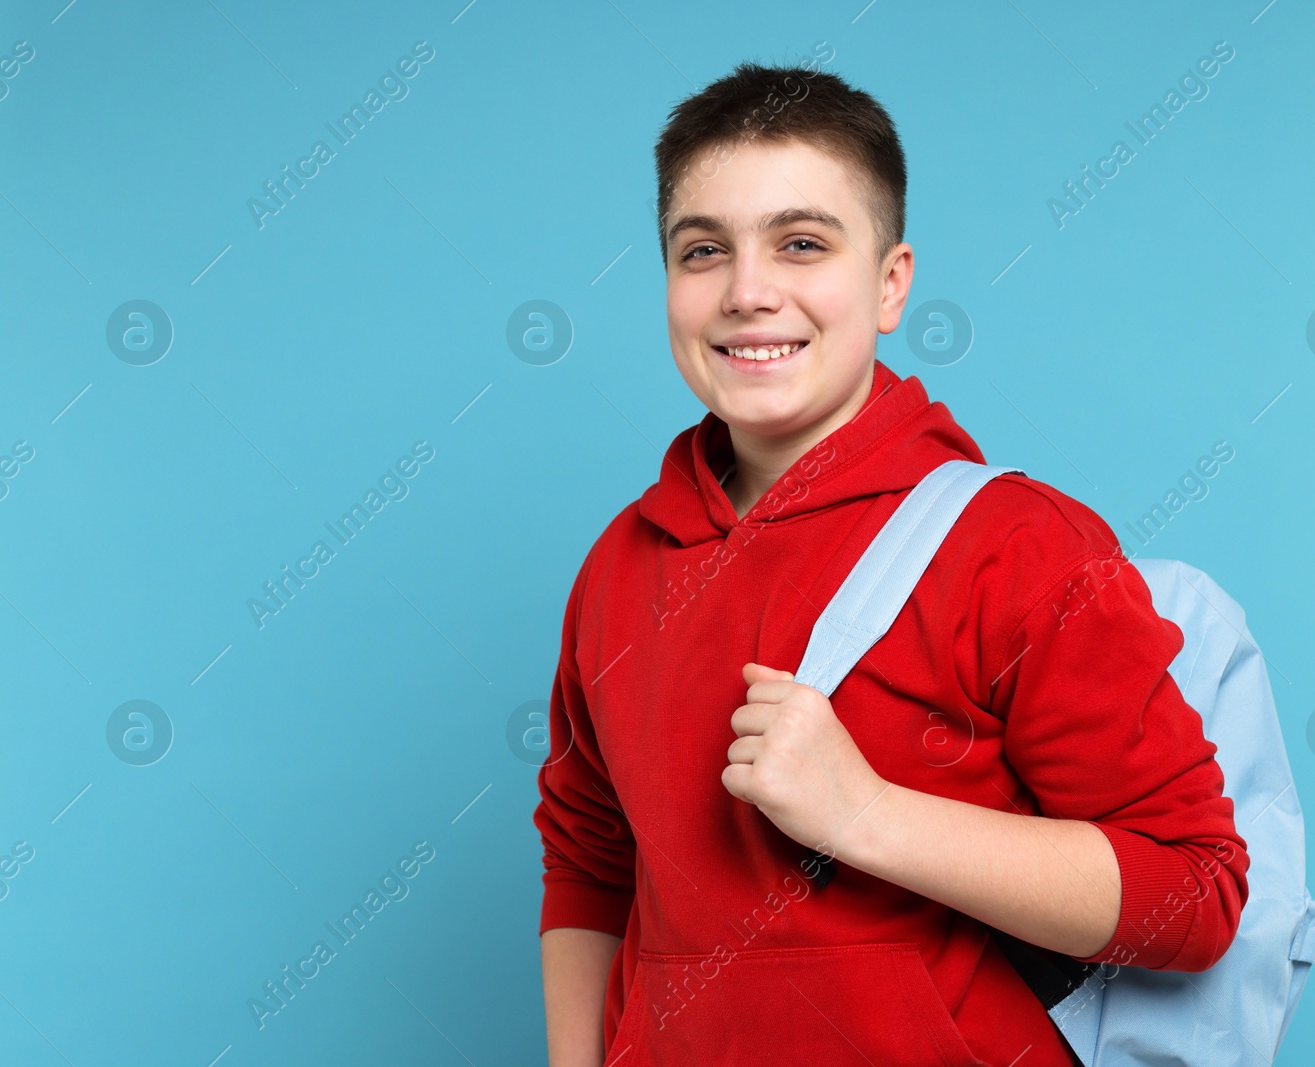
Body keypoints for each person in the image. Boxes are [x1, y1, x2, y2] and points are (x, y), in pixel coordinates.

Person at [533, 60, 1248, 1067]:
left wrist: (866, 813)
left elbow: (1192, 892)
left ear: (889, 283)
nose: (747, 291)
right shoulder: (620, 563)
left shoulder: (1018, 545)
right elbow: (589, 862)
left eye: (801, 243)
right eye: (702, 251)